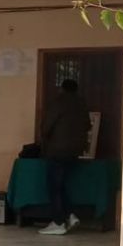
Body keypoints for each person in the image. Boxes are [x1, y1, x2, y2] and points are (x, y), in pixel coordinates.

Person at [38, 78, 92, 236]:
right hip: (75, 151)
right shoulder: (81, 104)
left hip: (57, 151)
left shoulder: (58, 103)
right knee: (61, 185)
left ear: (62, 89)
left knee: (54, 187)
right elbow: (88, 126)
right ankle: (70, 215)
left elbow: (46, 127)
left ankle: (58, 222)